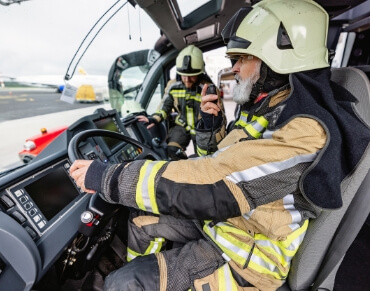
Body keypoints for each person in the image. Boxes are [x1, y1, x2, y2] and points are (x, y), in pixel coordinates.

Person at [70, 0, 370, 290]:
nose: (234, 68)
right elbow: (219, 158)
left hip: (249, 257)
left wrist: (107, 177)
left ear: (276, 58)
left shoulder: (306, 131)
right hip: (228, 222)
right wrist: (208, 126)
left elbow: (214, 182)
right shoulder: (271, 110)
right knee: (139, 222)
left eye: (242, 58)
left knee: (124, 284)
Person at [136, 44, 225, 160]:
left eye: (191, 76)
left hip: (200, 127)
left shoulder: (209, 89)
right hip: (182, 125)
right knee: (172, 150)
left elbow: (219, 115)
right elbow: (165, 106)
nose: (187, 80)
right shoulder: (172, 86)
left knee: (204, 156)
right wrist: (154, 119)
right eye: (184, 75)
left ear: (200, 73)